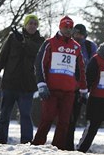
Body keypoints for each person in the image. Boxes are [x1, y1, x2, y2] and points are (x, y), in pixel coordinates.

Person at [32, 15, 88, 150]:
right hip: (51, 90)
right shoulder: (50, 43)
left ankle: (58, 149)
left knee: (64, 122)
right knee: (47, 119)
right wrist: (41, 84)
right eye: (65, 27)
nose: (68, 30)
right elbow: (39, 64)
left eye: (70, 27)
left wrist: (83, 89)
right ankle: (36, 147)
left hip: (69, 92)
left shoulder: (76, 47)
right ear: (60, 27)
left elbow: (81, 69)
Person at [0, 14, 45, 144]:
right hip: (9, 83)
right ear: (25, 25)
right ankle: (1, 140)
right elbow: (1, 58)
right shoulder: (12, 37)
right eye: (30, 23)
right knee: (4, 115)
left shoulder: (40, 41)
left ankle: (26, 142)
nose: (32, 26)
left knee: (25, 115)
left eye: (35, 24)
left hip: (27, 86)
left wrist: (24, 42)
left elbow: (36, 52)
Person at [66, 23, 98, 150]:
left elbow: (94, 67)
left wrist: (87, 89)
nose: (78, 36)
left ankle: (69, 146)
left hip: (82, 88)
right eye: (76, 33)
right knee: (65, 118)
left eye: (81, 34)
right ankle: (64, 144)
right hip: (66, 86)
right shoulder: (67, 44)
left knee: (73, 118)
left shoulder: (90, 47)